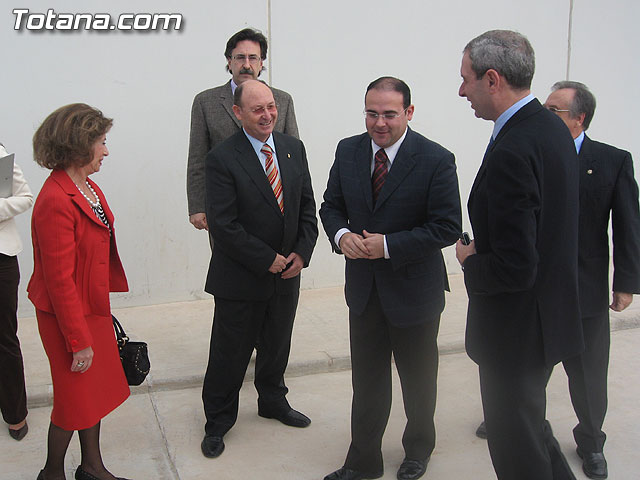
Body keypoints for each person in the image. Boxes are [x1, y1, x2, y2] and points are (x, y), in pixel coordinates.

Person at [320, 77, 462, 480]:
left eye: (388, 114)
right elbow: (331, 206)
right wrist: (342, 235)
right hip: (364, 291)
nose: (379, 123)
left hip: (414, 292)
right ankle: (362, 461)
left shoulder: (436, 158)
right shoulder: (348, 150)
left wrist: (389, 246)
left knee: (418, 381)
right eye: (371, 113)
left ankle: (417, 450)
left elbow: (447, 226)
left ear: (409, 113)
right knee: (367, 383)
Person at [455, 30, 582, 480]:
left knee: (516, 450)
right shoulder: (551, 129)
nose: (461, 90)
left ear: (492, 79)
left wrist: (469, 259)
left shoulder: (514, 147)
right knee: (531, 428)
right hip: (546, 322)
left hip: (516, 332)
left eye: (466, 79)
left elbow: (514, 264)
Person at [201, 80, 317, 458]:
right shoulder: (222, 158)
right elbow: (224, 223)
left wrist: (302, 252)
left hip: (287, 275)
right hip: (240, 278)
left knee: (276, 345)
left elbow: (305, 208)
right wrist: (265, 258)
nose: (268, 115)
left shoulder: (292, 149)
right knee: (229, 354)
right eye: (257, 109)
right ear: (238, 114)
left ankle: (272, 401)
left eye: (271, 107)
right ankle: (218, 420)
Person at [544, 81, 640, 479]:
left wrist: (627, 281)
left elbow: (628, 226)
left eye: (555, 111)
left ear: (579, 118)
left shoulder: (612, 160)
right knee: (526, 363)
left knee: (587, 374)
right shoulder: (534, 154)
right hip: (536, 286)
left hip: (585, 288)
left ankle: (590, 440)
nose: (545, 117)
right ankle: (514, 416)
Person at [29, 104, 130, 480]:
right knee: (73, 401)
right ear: (78, 144)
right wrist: (78, 340)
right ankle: (51, 472)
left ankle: (91, 467)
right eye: (101, 142)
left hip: (90, 307)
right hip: (66, 316)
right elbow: (58, 281)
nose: (106, 150)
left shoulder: (85, 185)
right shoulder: (56, 199)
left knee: (92, 395)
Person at [186, 27, 299, 232]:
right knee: (229, 262)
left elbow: (294, 160)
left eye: (253, 58)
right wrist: (197, 206)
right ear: (229, 61)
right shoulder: (206, 102)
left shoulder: (282, 100)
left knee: (277, 263)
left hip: (274, 205)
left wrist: (297, 208)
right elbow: (197, 158)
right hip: (224, 208)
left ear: (262, 62)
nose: (246, 65)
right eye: (240, 57)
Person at [0, 142, 33, 441]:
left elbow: (25, 197)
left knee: (4, 337)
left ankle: (14, 412)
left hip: (1, 258)